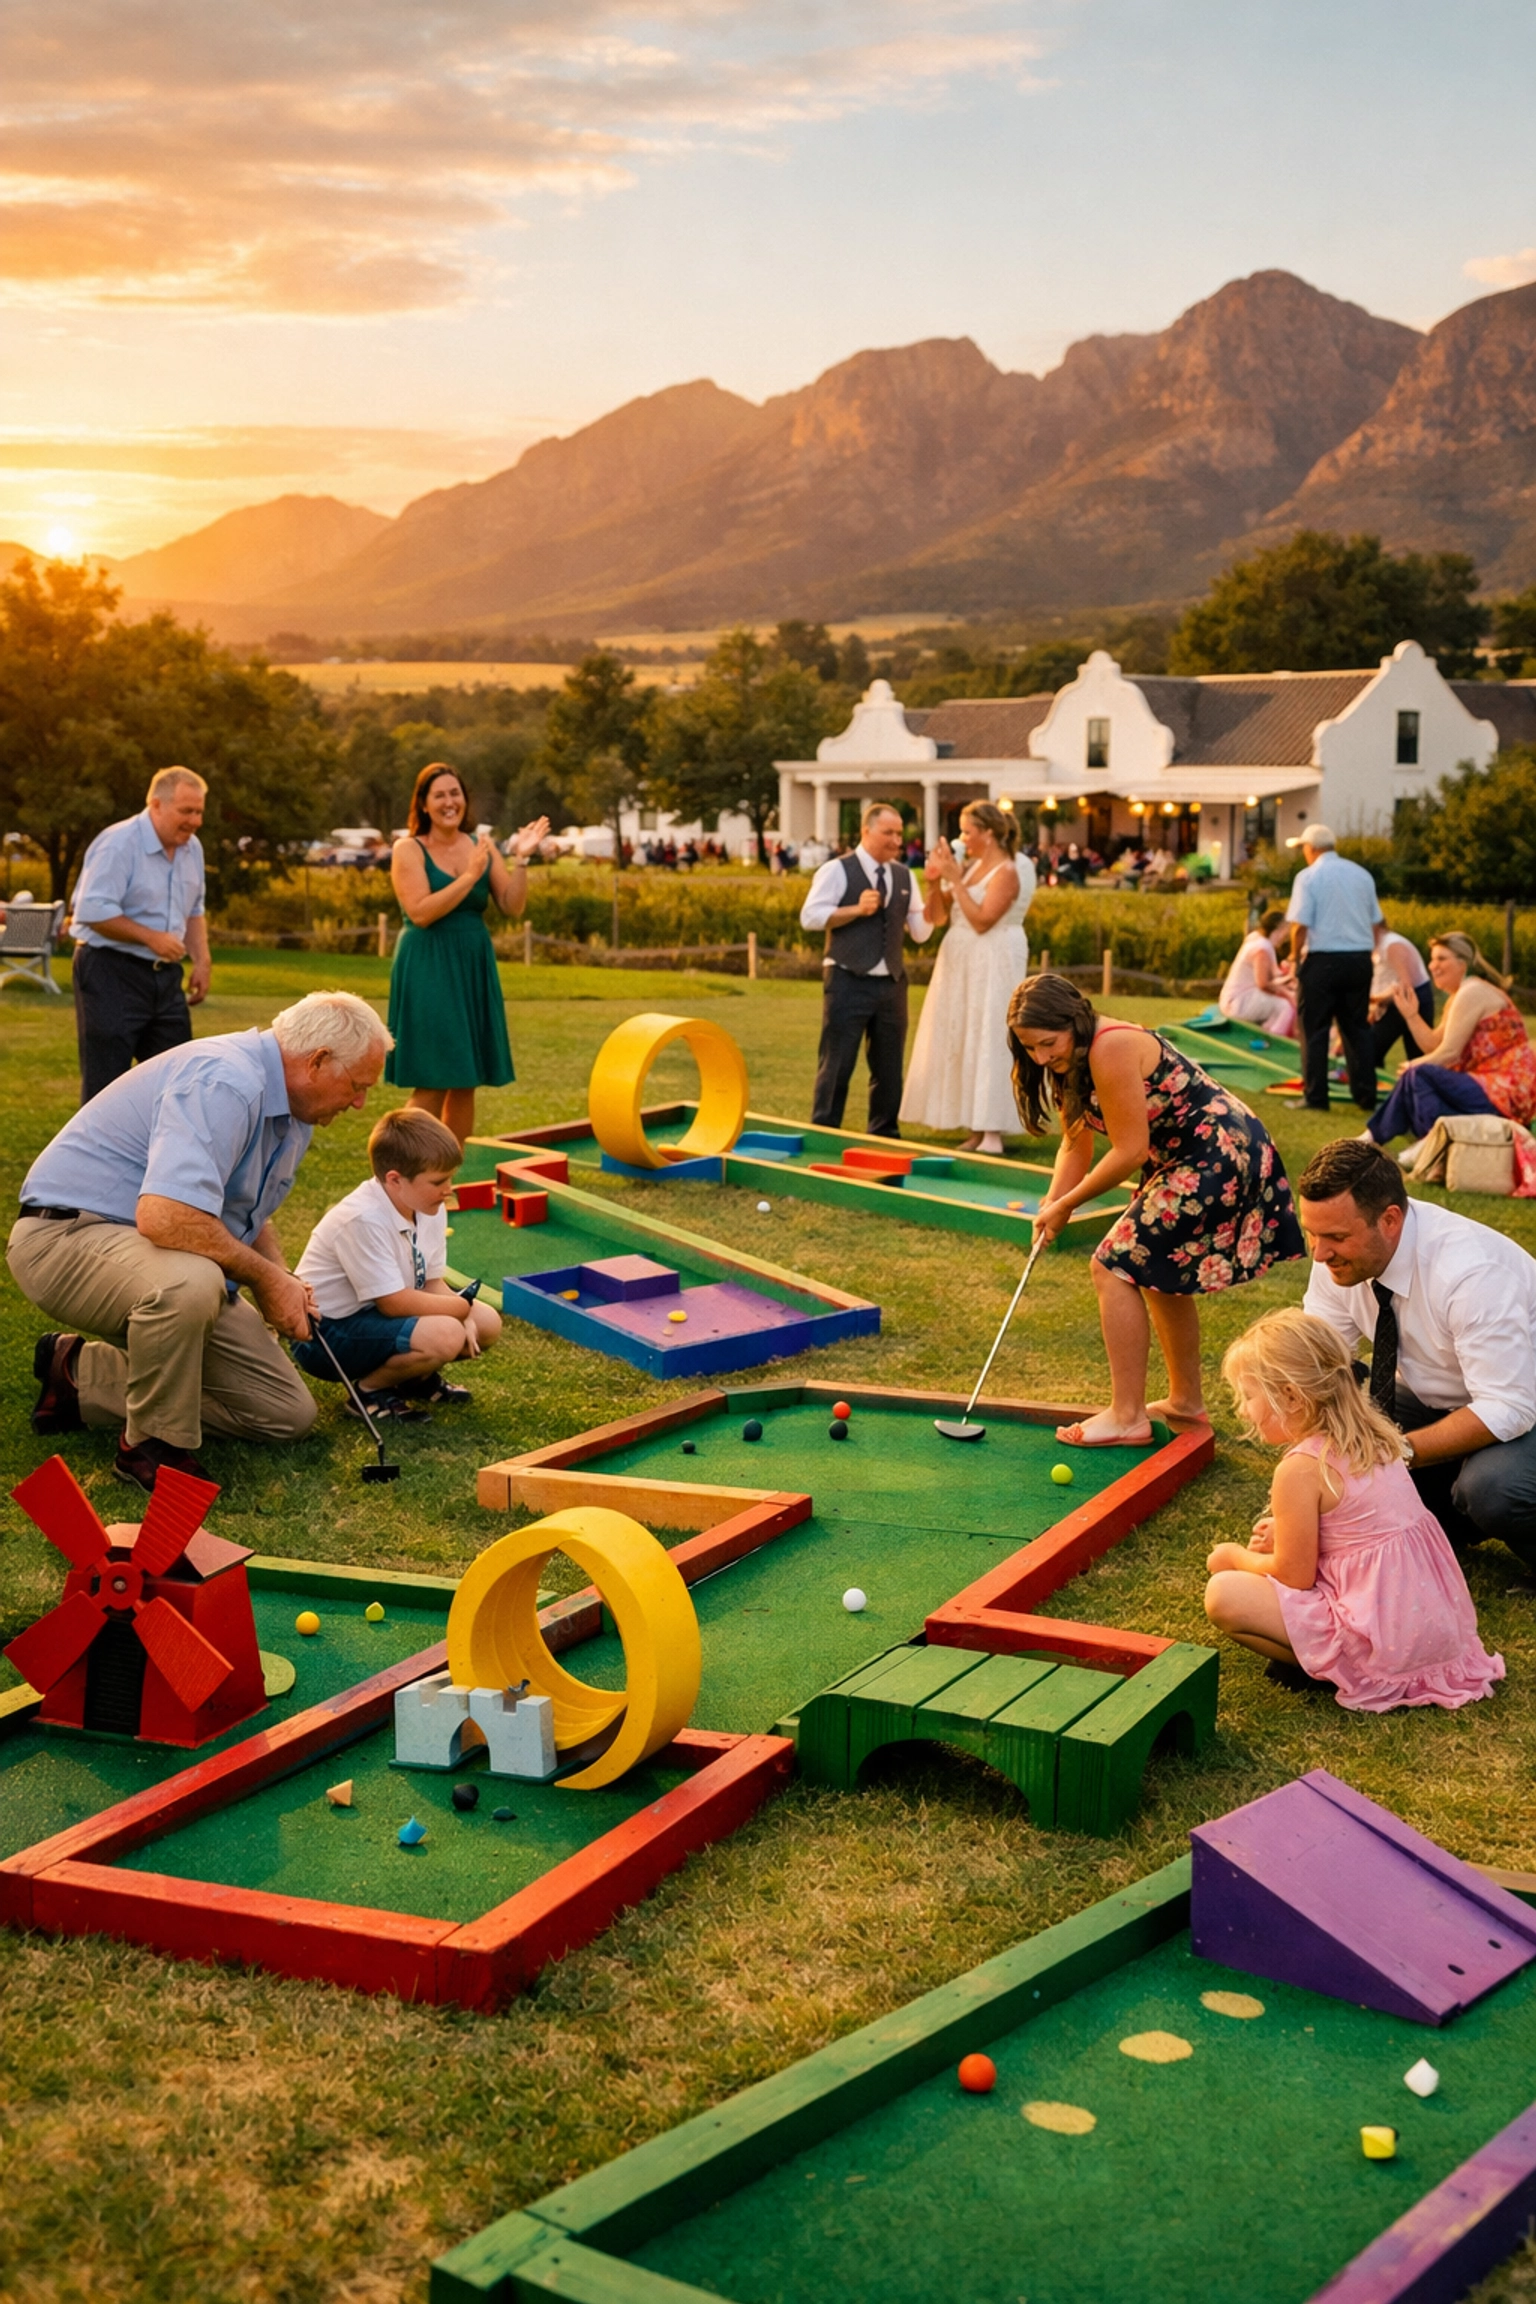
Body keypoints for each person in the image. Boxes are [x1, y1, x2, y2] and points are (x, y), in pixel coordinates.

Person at [11, 990, 390, 1493]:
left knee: (284, 1413)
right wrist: (264, 1278)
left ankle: (77, 1373)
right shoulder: (225, 1080)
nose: (360, 1102)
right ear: (317, 1062)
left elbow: (244, 1212)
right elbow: (167, 1216)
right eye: (357, 1085)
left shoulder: (294, 1112)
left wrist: (283, 1279)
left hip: (153, 1252)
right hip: (65, 1236)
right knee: (192, 1282)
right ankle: (149, 1445)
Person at [1009, 975, 1304, 1447]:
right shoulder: (1071, 1058)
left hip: (1217, 1153)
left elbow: (1128, 1150)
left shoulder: (1109, 1047)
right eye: (1029, 1048)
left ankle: (1127, 1415)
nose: (1040, 1057)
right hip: (1188, 1156)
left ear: (1074, 1021)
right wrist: (1052, 1203)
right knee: (1156, 1269)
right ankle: (1186, 1402)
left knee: (1112, 1266)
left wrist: (1068, 1204)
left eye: (1048, 1043)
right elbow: (1075, 1143)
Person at [1203, 1308, 1502, 1710]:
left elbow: (1294, 1575)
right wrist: (1287, 1530)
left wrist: (1234, 1557)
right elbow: (1360, 1523)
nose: (1242, 1409)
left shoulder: (1300, 1469)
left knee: (1223, 1592)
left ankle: (1349, 1671)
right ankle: (1353, 1660)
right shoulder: (1375, 1438)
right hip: (1430, 1631)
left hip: (1383, 1642)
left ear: (1289, 1396)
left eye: (1249, 1395)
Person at [1298, 1137, 1536, 1580]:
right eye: (1312, 1233)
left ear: (1390, 1220)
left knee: (1493, 1488)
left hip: (1523, 1402)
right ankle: (1447, 1519)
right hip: (1443, 1392)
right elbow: (1323, 1358)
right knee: (1343, 1438)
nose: (1319, 1252)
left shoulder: (1471, 1273)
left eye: (1334, 1237)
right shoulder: (1335, 1253)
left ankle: (1473, 1509)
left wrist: (1395, 1451)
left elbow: (1509, 1408)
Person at [294, 1108, 502, 1418]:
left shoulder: (427, 1204)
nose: (448, 1190)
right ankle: (368, 1393)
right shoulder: (363, 1218)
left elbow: (432, 1282)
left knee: (487, 1323)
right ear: (395, 1180)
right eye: (438, 1181)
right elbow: (393, 1302)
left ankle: (413, 1379)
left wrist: (466, 1312)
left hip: (372, 1316)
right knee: (447, 1333)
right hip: (324, 1334)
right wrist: (460, 1309)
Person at [387, 763, 549, 1148]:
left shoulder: (480, 845)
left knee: (464, 1080)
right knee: (432, 1081)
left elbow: (511, 905)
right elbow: (422, 912)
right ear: (424, 804)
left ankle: (444, 1179)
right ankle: (395, 1171)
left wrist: (522, 860)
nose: (449, 802)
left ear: (465, 799)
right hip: (429, 965)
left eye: (455, 793)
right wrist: (468, 877)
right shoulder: (408, 849)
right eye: (439, 795)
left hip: (472, 964)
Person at [68, 766, 212, 1103]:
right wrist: (150, 937)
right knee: (107, 1086)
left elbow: (194, 909)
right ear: (156, 805)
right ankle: (99, 1155)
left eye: (199, 812)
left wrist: (203, 960)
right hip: (110, 972)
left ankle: (162, 1155)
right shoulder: (118, 843)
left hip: (165, 979)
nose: (195, 821)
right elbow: (91, 909)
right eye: (186, 811)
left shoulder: (193, 849)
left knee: (178, 1080)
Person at [900, 800, 1034, 1155]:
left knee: (988, 1034)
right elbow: (939, 916)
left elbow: (982, 920)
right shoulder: (971, 869)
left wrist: (954, 879)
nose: (963, 839)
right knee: (962, 1034)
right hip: (960, 962)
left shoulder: (1006, 872)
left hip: (991, 959)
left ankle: (992, 1130)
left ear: (988, 833)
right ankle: (974, 1126)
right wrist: (933, 883)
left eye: (967, 831)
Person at [801, 800, 933, 1136]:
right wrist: (854, 910)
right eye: (888, 832)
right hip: (846, 977)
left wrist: (938, 889)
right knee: (837, 1062)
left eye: (899, 833)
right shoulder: (837, 869)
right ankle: (824, 1131)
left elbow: (920, 933)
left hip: (891, 981)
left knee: (889, 1067)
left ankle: (884, 1133)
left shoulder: (904, 875)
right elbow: (810, 917)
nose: (896, 840)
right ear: (866, 831)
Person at [1364, 933, 1536, 1156]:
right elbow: (1434, 1046)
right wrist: (1412, 1015)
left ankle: (1397, 1140)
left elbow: (1450, 1053)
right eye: (1432, 959)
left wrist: (1413, 1066)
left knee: (1419, 1075)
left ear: (1462, 963)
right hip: (1488, 1089)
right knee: (1419, 1077)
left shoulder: (1472, 991)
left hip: (1504, 1091)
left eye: (1441, 959)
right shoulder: (1461, 994)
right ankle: (1425, 1143)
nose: (1433, 966)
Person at [1284, 822, 1381, 1112]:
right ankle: (1366, 1095)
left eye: (1303, 848)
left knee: (1315, 1029)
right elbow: (1375, 919)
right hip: (1359, 958)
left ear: (1311, 848)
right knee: (1356, 1029)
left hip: (1323, 960)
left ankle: (1316, 1096)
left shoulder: (1308, 877)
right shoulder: (1362, 875)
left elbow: (1300, 924)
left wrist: (1294, 958)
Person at [1218, 908, 1296, 1038]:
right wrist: (1288, 994)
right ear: (1279, 928)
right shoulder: (1261, 949)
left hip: (1239, 998)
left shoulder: (1258, 941)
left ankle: (1266, 1033)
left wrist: (1288, 983)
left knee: (1283, 1002)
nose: (1286, 935)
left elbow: (1270, 979)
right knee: (1285, 1007)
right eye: (1286, 929)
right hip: (1236, 1002)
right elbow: (1263, 984)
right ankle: (1273, 1041)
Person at [1369, 926, 1432, 1069]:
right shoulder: (1377, 944)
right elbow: (1382, 977)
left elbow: (1405, 985)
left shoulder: (1392, 945)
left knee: (1369, 1049)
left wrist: (1375, 1000)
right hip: (1394, 999)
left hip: (1412, 999)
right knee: (1370, 1050)